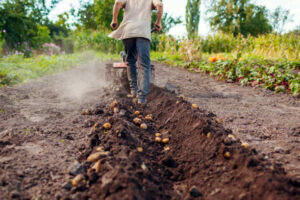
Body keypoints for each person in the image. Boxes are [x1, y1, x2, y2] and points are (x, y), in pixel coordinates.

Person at [109, 0, 163, 104]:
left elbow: (117, 3)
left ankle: (133, 90)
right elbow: (159, 5)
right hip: (143, 33)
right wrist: (158, 22)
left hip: (128, 32)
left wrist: (114, 20)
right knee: (144, 65)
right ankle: (142, 97)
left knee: (130, 61)